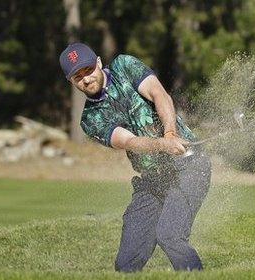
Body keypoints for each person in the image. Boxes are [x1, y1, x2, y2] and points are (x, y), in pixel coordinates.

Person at [59, 43, 210, 272]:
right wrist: (162, 144)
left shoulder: (124, 66)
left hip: (189, 165)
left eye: (88, 70)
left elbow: (159, 94)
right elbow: (129, 142)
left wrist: (170, 134)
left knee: (170, 235)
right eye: (78, 77)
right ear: (71, 81)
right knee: (126, 262)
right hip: (153, 180)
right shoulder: (90, 119)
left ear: (99, 62)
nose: (86, 79)